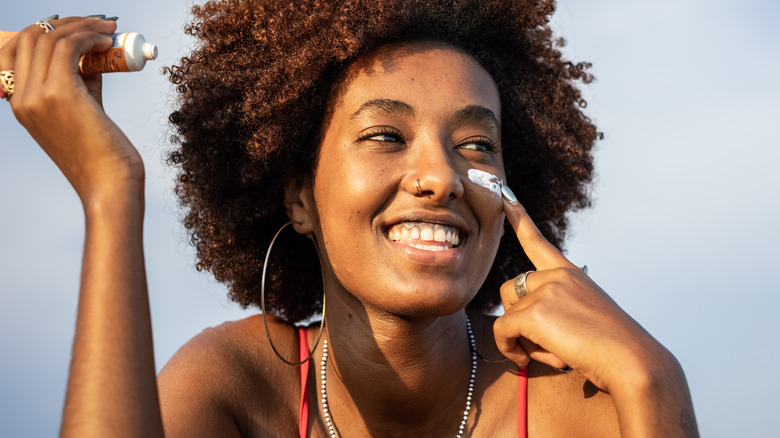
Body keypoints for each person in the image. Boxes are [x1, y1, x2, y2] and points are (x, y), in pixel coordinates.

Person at [0, 1, 699, 436]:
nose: (441, 177)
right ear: (298, 197)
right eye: (386, 136)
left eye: (477, 146)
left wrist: (655, 380)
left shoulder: (583, 406)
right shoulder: (238, 388)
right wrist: (110, 190)